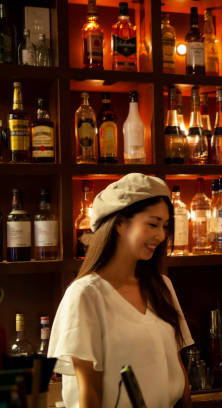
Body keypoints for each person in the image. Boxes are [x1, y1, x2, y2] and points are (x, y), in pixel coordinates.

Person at [48, 173, 194, 408]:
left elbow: (178, 372)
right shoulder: (85, 295)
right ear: (119, 223)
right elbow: (89, 394)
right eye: (153, 224)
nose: (161, 235)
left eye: (165, 226)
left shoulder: (162, 286)